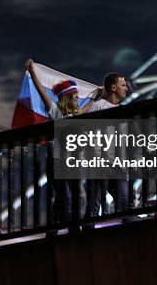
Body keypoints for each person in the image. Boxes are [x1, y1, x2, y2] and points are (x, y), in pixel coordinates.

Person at [25, 58, 81, 224]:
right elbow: (42, 92)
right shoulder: (55, 111)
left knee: (64, 199)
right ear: (68, 97)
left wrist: (94, 98)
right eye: (76, 97)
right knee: (68, 199)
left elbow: (84, 109)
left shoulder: (75, 116)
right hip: (57, 162)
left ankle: (52, 231)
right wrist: (32, 72)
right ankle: (73, 231)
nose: (78, 99)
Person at [84, 73, 130, 217]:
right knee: (94, 206)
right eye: (123, 85)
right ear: (113, 87)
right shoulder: (98, 106)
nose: (126, 88)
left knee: (125, 204)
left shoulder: (124, 110)